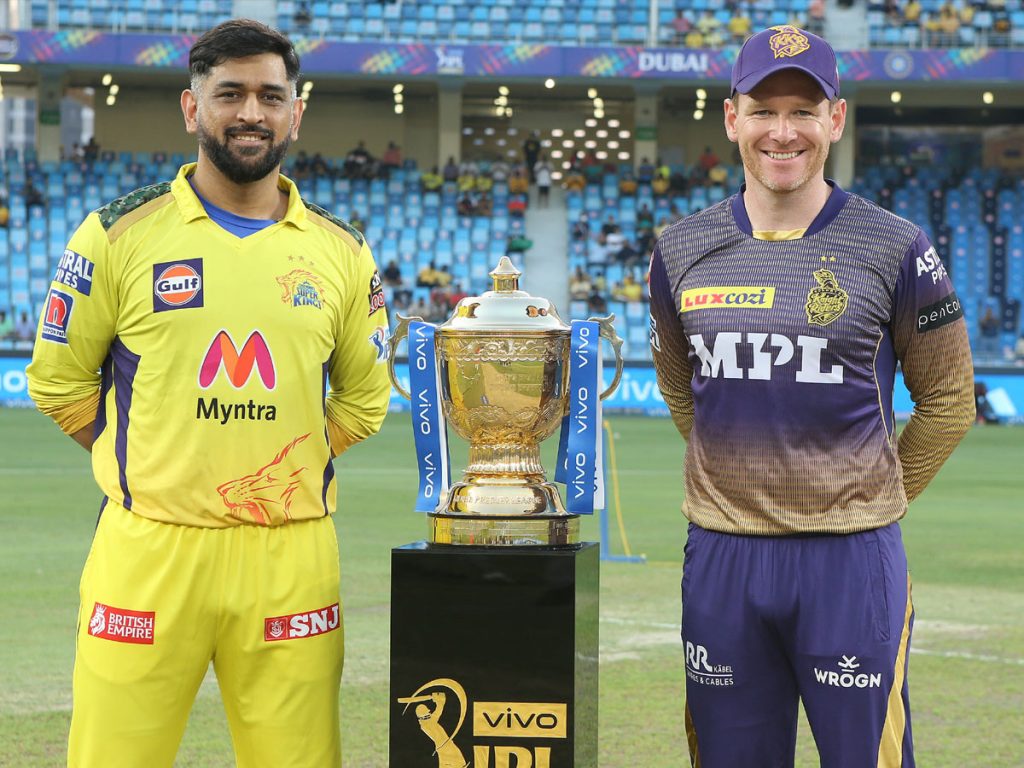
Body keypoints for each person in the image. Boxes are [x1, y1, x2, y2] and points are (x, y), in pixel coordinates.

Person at [25, 20, 391, 768]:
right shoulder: (115, 234)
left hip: (291, 556)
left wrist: (281, 462)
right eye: (230, 94)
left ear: (296, 114)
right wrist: (151, 461)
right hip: (148, 551)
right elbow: (58, 384)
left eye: (270, 96)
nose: (251, 112)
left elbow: (363, 400)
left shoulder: (343, 250)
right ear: (193, 108)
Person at [648, 26, 975, 767]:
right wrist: (742, 483)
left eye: (804, 110)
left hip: (850, 564)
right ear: (731, 119)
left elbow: (950, 400)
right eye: (763, 110)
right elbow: (679, 385)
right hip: (723, 558)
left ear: (836, 118)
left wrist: (866, 497)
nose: (783, 131)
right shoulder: (680, 249)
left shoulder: (896, 246)